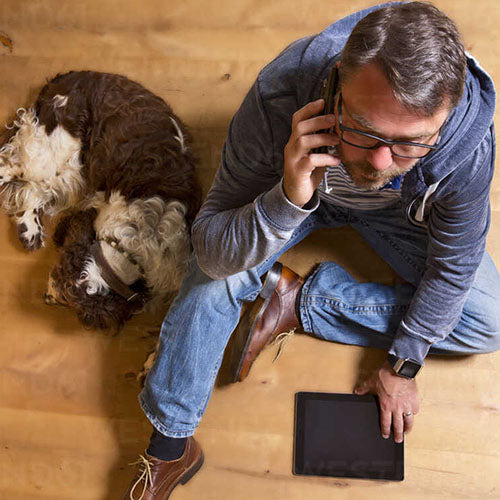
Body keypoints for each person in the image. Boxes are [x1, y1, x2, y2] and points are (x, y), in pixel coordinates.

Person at [121, 2, 500, 498]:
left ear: (444, 116)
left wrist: (403, 363)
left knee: (489, 318)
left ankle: (295, 299)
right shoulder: (282, 92)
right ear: (338, 83)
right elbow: (211, 248)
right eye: (363, 129)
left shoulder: (465, 144)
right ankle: (170, 448)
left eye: (409, 143)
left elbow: (454, 267)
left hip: (394, 219)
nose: (381, 162)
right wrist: (286, 200)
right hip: (296, 191)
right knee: (219, 274)